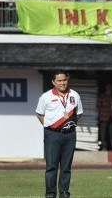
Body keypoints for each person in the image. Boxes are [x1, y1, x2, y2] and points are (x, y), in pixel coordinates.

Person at [35, 70, 84, 198]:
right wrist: (51, 126)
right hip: (52, 135)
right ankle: (50, 194)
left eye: (64, 80)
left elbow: (79, 114)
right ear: (53, 82)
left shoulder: (75, 94)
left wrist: (68, 125)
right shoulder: (46, 96)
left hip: (70, 135)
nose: (62, 83)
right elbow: (39, 114)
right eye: (59, 80)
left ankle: (64, 193)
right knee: (51, 167)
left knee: (66, 167)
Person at [97, 83, 112, 150]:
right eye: (108, 88)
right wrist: (101, 114)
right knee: (103, 134)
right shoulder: (102, 96)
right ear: (106, 89)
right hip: (104, 117)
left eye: (110, 88)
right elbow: (98, 107)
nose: (109, 89)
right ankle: (104, 147)